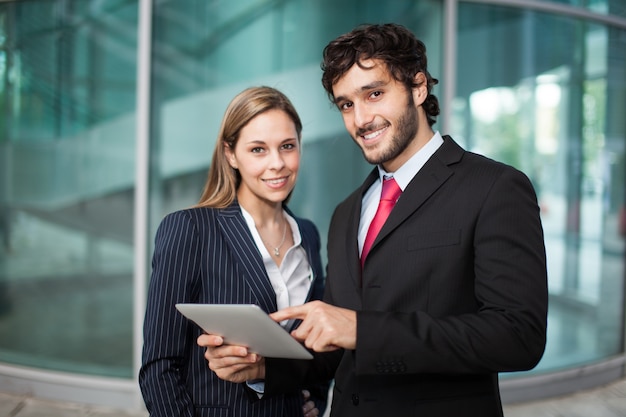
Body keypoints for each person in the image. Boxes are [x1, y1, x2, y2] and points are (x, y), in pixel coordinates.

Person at [198, 23, 548, 417]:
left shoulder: (494, 187)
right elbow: (335, 345)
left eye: (374, 94)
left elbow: (519, 336)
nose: (361, 118)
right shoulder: (348, 211)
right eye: (346, 104)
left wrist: (363, 330)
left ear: (418, 88)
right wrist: (265, 368)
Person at [139, 86, 329, 417]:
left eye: (287, 146)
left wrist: (313, 398)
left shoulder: (308, 235)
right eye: (258, 149)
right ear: (231, 154)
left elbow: (314, 348)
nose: (277, 164)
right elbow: (159, 366)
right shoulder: (191, 229)